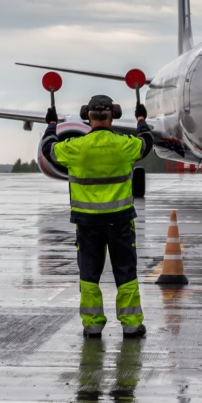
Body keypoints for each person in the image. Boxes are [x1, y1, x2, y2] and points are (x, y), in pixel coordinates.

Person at [41, 94, 153, 339]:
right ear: (113, 115)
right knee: (126, 273)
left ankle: (92, 326)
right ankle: (131, 325)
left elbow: (48, 150)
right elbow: (146, 142)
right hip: (120, 222)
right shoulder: (124, 145)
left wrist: (52, 125)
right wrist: (141, 119)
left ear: (86, 116)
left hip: (87, 223)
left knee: (89, 275)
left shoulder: (74, 148)